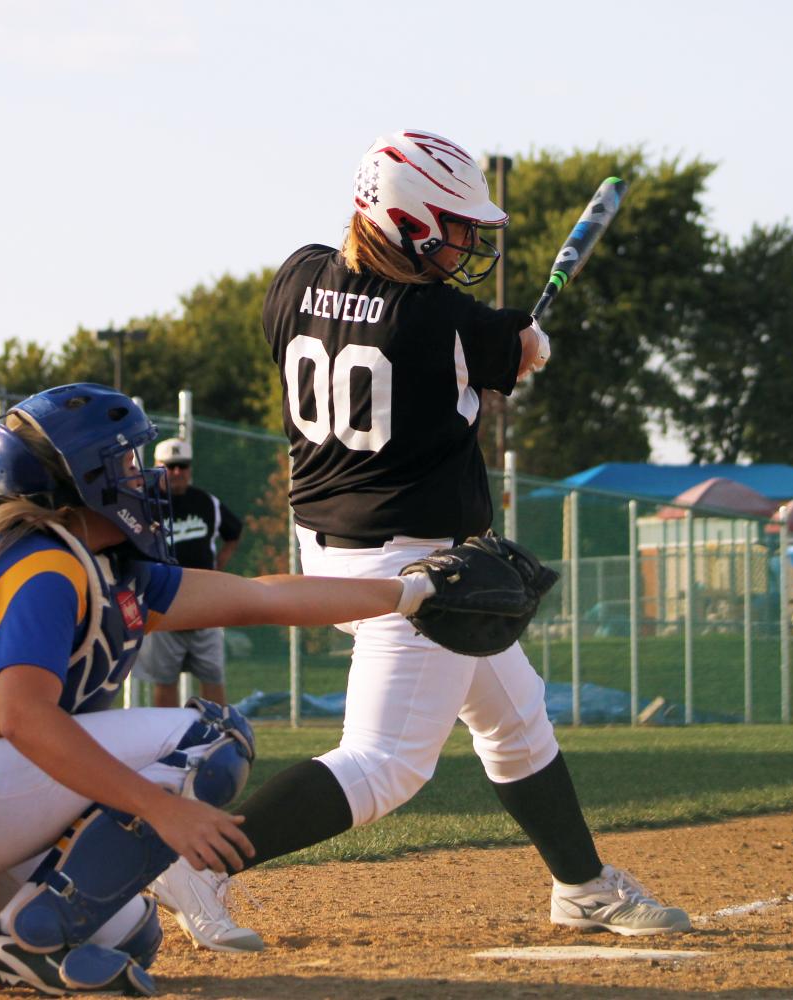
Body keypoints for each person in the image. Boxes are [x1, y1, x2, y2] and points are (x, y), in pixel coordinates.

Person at [152, 129, 689, 948]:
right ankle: (201, 862)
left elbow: (436, 338)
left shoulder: (295, 278)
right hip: (414, 567)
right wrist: (521, 348)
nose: (467, 241)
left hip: (330, 550)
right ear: (405, 220)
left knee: (516, 717)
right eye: (454, 225)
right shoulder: (445, 320)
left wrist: (500, 348)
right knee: (386, 763)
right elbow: (509, 349)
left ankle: (582, 886)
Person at [0, 383, 441, 994]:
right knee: (211, 738)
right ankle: (29, 946)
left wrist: (410, 592)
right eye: (126, 462)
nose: (145, 477)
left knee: (128, 931)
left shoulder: (97, 564)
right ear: (82, 479)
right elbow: (24, 719)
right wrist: (160, 806)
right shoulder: (45, 566)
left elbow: (262, 595)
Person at [134, 437, 242, 706]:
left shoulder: (206, 502)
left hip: (206, 604)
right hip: (163, 604)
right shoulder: (143, 505)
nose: (177, 472)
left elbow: (234, 533)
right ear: (156, 467)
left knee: (213, 676)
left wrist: (217, 570)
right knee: (165, 679)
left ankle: (218, 735)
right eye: (170, 466)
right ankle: (167, 740)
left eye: (183, 466)